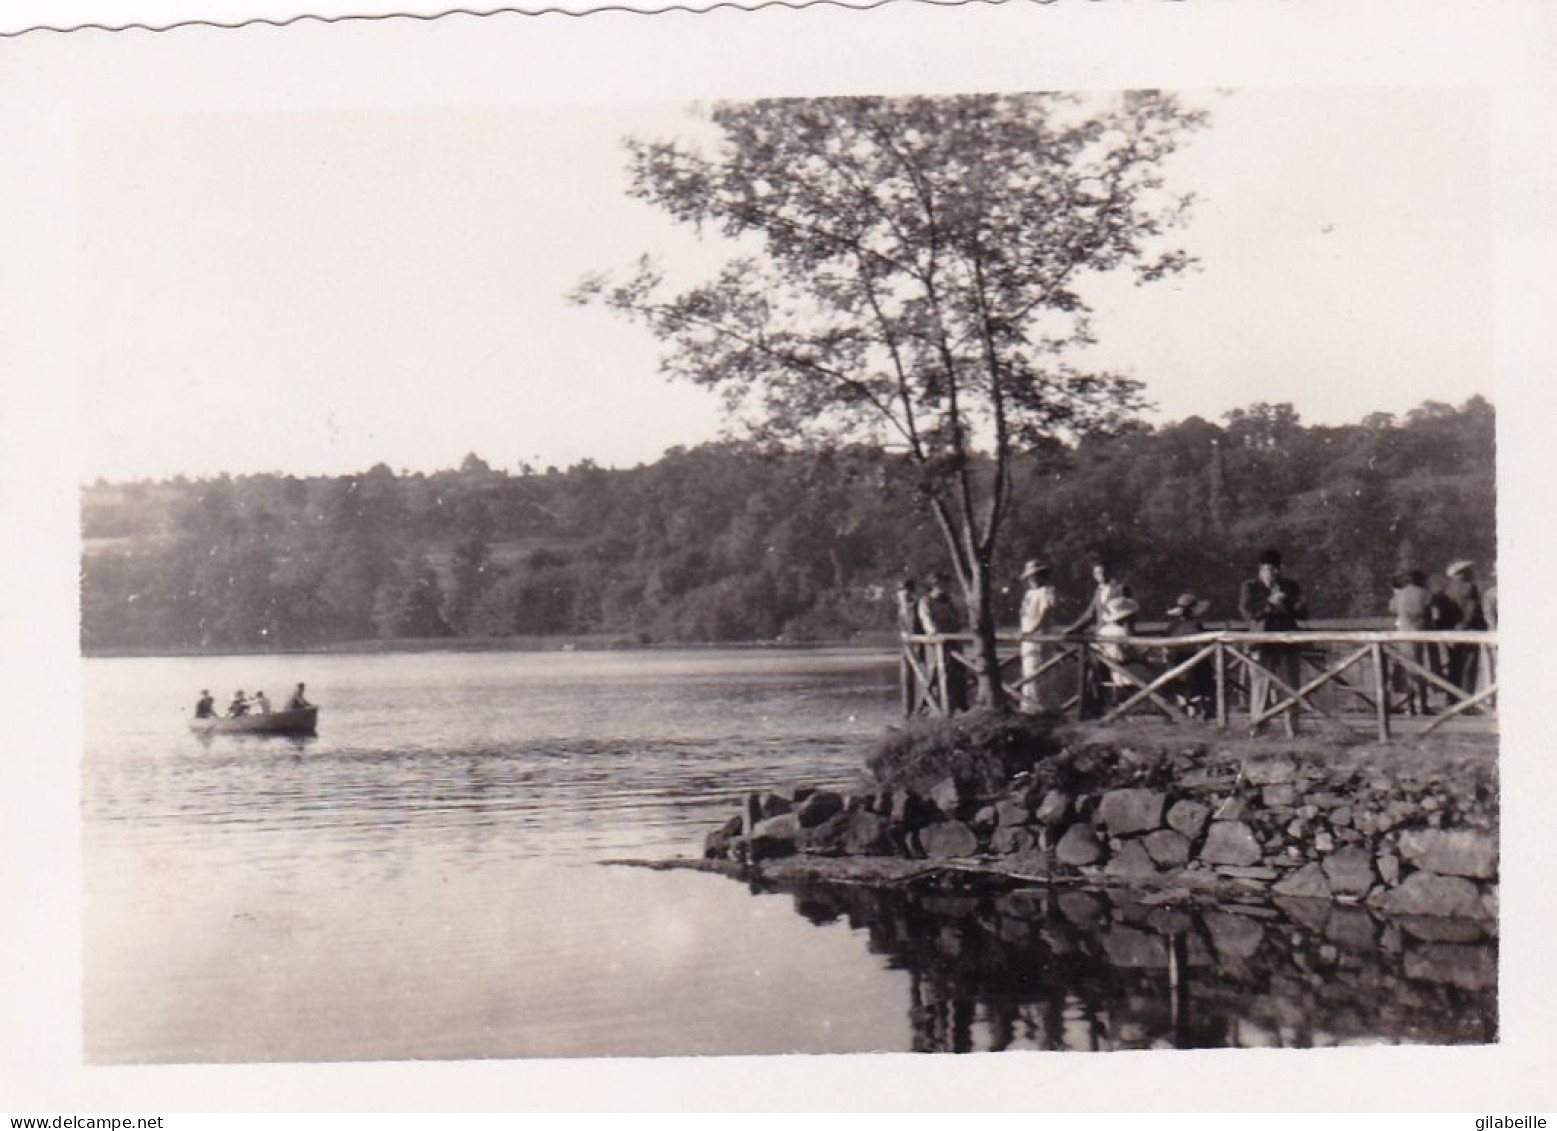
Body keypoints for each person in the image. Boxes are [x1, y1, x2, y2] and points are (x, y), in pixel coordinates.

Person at [1238, 548, 1308, 735]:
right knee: (1261, 685)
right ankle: (1258, 727)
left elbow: (1303, 613)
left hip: (1286, 642)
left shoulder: (1290, 585)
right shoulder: (1250, 587)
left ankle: (1292, 728)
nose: (1274, 574)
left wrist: (1289, 604)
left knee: (1291, 684)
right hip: (1261, 642)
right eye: (1270, 569)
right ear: (1261, 569)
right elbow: (1248, 612)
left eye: (1277, 569)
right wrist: (1270, 603)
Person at [1064, 557, 1134, 717]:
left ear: (1110, 571)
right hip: (1101, 635)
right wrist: (1073, 629)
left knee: (1115, 670)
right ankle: (1095, 707)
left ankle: (1117, 705)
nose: (1100, 575)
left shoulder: (1121, 588)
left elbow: (1129, 612)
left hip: (1115, 635)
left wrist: (1128, 633)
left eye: (1103, 571)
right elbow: (1090, 614)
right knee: (1094, 669)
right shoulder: (1098, 591)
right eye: (1096, 572)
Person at [917, 573, 969, 713]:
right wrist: (937, 634)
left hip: (954, 644)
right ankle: (934, 709)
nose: (944, 588)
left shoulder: (949, 602)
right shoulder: (926, 602)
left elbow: (958, 622)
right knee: (937, 676)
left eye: (946, 585)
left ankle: (959, 708)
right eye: (940, 585)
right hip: (937, 646)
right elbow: (928, 623)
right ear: (933, 586)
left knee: (958, 676)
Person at [1388, 571, 1434, 715]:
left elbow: (1392, 609)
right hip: (1421, 634)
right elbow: (1434, 613)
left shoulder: (1400, 594)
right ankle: (1422, 704)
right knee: (1422, 668)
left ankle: (1410, 705)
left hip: (1402, 634)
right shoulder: (1426, 594)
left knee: (1407, 668)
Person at [1163, 593, 1214, 717]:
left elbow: (1166, 649)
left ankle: (1188, 702)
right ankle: (1203, 704)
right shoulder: (1196, 626)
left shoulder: (1171, 627)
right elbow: (1203, 646)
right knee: (1205, 671)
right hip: (1195, 666)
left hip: (1176, 664)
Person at [1017, 560, 1058, 714]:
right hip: (1027, 638)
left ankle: (1043, 709)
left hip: (1040, 636)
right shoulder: (1028, 594)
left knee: (1040, 671)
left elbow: (1046, 611)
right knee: (1028, 672)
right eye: (1030, 577)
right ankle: (1029, 708)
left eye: (1035, 576)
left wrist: (1034, 629)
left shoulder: (1047, 591)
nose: (1032, 580)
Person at [1443, 560, 1488, 695]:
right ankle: (1467, 698)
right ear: (1463, 573)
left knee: (1454, 664)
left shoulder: (1448, 589)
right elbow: (1472, 610)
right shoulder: (1469, 587)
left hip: (1451, 631)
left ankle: (1452, 696)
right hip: (1468, 629)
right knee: (1469, 665)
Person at [894, 579, 924, 717]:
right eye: (901, 590)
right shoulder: (901, 608)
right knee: (906, 681)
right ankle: (908, 715)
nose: (904, 593)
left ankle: (922, 712)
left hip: (921, 648)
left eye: (907, 590)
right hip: (906, 650)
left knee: (923, 681)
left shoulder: (918, 606)